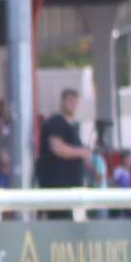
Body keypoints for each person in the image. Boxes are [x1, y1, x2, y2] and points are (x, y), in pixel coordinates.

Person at [35, 88, 88, 217]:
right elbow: (57, 148)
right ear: (62, 101)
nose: (73, 104)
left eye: (75, 102)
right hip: (58, 190)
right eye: (70, 100)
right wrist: (81, 152)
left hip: (73, 191)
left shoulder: (73, 126)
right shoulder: (56, 122)